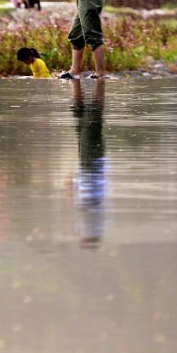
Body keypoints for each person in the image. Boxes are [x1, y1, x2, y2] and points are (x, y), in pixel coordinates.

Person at [71, 78, 107, 247]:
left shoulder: (92, 206)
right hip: (91, 161)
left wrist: (74, 181)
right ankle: (98, 83)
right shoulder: (94, 206)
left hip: (89, 162)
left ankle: (77, 82)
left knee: (81, 121)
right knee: (90, 122)